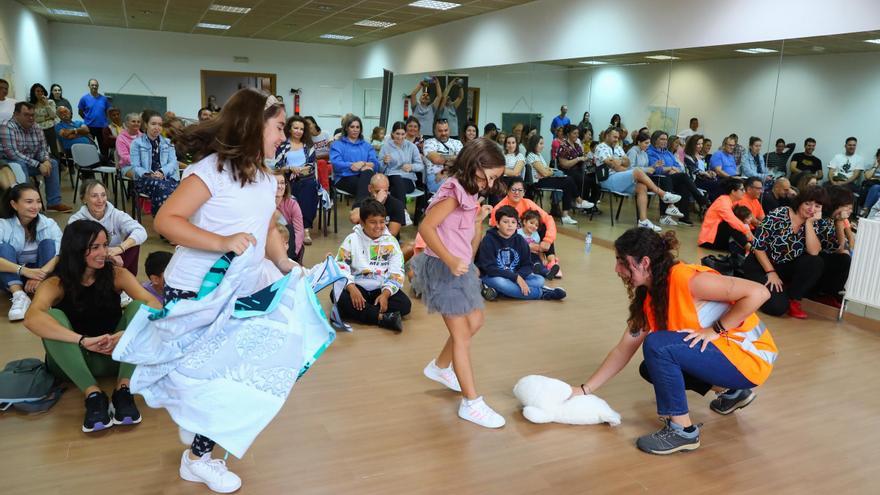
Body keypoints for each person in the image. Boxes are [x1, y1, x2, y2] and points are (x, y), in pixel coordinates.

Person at [130, 90, 296, 492]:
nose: (283, 137)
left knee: (227, 379)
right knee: (221, 383)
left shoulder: (263, 176)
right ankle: (198, 458)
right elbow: (167, 222)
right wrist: (222, 242)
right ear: (254, 125)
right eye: (278, 127)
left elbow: (267, 228)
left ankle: (196, 430)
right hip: (197, 292)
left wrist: (285, 263)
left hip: (239, 290)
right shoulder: (210, 171)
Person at [568, 228, 776, 455]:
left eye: (621, 261)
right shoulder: (651, 296)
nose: (617, 269)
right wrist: (584, 390)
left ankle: (682, 431)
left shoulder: (686, 278)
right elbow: (622, 351)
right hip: (729, 357)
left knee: (659, 346)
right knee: (650, 367)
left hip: (751, 359)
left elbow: (759, 293)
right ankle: (732, 393)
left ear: (644, 262)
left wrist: (714, 329)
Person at [22, 220, 161, 432]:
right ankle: (93, 394)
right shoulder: (56, 283)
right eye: (95, 247)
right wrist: (82, 341)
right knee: (51, 316)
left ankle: (123, 389)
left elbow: (155, 306)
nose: (103, 252)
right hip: (74, 362)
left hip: (115, 356)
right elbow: (31, 318)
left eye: (105, 245)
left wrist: (125, 335)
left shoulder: (117, 274)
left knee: (140, 307)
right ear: (76, 249)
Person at [414, 137, 506, 429]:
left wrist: (478, 225)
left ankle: (441, 367)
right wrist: (451, 260)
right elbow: (426, 228)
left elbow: (467, 240)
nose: (490, 185)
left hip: (459, 267)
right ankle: (472, 403)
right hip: (443, 267)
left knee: (475, 321)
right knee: (462, 335)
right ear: (475, 165)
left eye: (495, 179)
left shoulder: (472, 192)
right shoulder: (453, 191)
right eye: (489, 177)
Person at [741, 186, 828, 319]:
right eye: (807, 203)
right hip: (760, 264)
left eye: (817, 206)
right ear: (800, 202)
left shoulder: (815, 223)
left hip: (784, 266)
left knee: (815, 262)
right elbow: (758, 247)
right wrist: (771, 272)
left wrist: (809, 224)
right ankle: (748, 286)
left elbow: (814, 251)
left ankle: (794, 299)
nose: (811, 209)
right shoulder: (779, 214)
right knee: (777, 308)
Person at [335, 199, 411, 332]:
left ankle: (362, 311)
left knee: (405, 304)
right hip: (358, 287)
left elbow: (397, 272)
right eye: (373, 222)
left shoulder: (391, 242)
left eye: (382, 222)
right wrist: (352, 288)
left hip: (380, 288)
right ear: (362, 222)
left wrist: (386, 294)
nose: (378, 226)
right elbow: (340, 266)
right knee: (336, 296)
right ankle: (381, 318)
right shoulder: (351, 239)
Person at [597, 128, 683, 232]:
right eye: (614, 137)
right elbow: (613, 164)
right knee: (637, 171)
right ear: (607, 136)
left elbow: (627, 163)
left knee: (642, 186)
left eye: (618, 137)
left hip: (620, 177)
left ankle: (643, 221)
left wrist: (618, 162)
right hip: (608, 179)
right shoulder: (601, 147)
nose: (616, 139)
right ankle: (663, 194)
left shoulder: (618, 147)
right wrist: (620, 163)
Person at [476, 206, 566, 301]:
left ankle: (498, 291)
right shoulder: (488, 240)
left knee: (539, 280)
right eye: (505, 222)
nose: (510, 225)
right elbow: (489, 268)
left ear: (517, 225)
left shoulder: (520, 240)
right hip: (494, 276)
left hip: (515, 275)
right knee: (501, 283)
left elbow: (527, 265)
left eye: (513, 222)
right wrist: (516, 278)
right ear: (497, 224)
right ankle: (542, 293)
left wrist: (518, 276)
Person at [0, 183, 62, 321]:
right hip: (10, 277)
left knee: (49, 244)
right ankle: (19, 295)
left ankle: (43, 291)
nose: (35, 206)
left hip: (41, 274)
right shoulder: (3, 224)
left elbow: (60, 254)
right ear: (14, 204)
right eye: (29, 202)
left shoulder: (48, 223)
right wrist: (24, 271)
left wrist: (39, 274)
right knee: (3, 248)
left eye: (38, 201)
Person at [0, 102, 72, 212]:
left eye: (32, 115)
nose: (31, 118)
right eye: (26, 115)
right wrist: (38, 164)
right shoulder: (7, 126)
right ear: (16, 114)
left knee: (53, 163)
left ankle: (53, 203)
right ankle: (27, 204)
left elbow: (42, 149)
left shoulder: (36, 127)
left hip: (31, 162)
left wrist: (46, 160)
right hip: (10, 163)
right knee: (21, 164)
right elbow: (12, 153)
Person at [68, 180, 147, 277]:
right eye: (94, 196)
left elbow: (141, 231)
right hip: (91, 264)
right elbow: (75, 249)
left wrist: (120, 248)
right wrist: (106, 253)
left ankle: (126, 281)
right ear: (83, 199)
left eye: (103, 195)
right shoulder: (76, 220)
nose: (100, 200)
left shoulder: (115, 214)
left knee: (134, 241)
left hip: (117, 259)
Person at [526, 134, 590, 224]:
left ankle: (568, 212)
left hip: (544, 178)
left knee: (568, 180)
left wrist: (548, 171)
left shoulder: (538, 155)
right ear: (534, 144)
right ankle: (577, 202)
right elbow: (545, 172)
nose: (543, 146)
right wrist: (550, 172)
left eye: (543, 143)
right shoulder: (531, 156)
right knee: (568, 180)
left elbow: (546, 169)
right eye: (540, 144)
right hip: (538, 182)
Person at [274, 115, 319, 245]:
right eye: (296, 128)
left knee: (308, 186)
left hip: (306, 177)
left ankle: (305, 229)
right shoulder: (283, 145)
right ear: (290, 129)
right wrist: (289, 168)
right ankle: (289, 225)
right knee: (294, 185)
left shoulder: (308, 146)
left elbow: (311, 165)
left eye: (301, 129)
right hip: (287, 178)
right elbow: (277, 166)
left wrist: (300, 170)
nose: (299, 131)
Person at [811, 186, 854, 308]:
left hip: (819, 255)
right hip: (811, 257)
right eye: (848, 207)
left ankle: (831, 294)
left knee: (844, 258)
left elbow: (842, 246)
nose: (850, 211)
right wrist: (840, 223)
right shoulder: (822, 219)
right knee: (843, 259)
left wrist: (840, 222)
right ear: (837, 205)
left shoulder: (832, 219)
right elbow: (840, 247)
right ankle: (825, 294)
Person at [129, 110, 180, 214]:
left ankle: (163, 219)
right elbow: (135, 166)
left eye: (160, 125)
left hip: (166, 177)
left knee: (174, 188)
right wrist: (150, 174)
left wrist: (162, 172)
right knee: (163, 188)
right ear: (146, 125)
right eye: (153, 124)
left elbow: (173, 163)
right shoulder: (136, 143)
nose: (157, 127)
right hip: (145, 179)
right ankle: (164, 219)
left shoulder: (168, 143)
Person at [698, 179, 753, 254]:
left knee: (741, 218)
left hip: (719, 238)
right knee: (730, 224)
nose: (744, 192)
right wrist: (746, 231)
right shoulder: (722, 202)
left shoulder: (732, 201)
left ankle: (751, 246)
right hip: (708, 241)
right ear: (733, 191)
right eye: (742, 190)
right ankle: (750, 248)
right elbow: (732, 220)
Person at [330, 115, 378, 199]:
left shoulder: (367, 146)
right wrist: (352, 165)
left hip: (365, 176)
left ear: (360, 129)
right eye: (352, 127)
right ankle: (364, 209)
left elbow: (376, 165)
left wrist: (362, 164)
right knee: (371, 189)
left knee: (368, 176)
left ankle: (358, 209)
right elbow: (336, 164)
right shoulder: (337, 144)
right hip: (344, 177)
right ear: (346, 128)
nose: (355, 130)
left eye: (357, 127)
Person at [349, 173, 406, 238]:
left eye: (385, 191)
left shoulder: (397, 204)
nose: (382, 195)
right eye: (377, 191)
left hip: (386, 243)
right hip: (364, 241)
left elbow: (392, 234)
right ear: (370, 188)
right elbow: (354, 219)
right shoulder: (363, 201)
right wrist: (377, 202)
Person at [379, 121, 423, 203]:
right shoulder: (386, 147)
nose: (400, 137)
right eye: (397, 134)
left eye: (403, 134)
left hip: (407, 179)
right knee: (396, 178)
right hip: (390, 178)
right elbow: (379, 170)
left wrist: (411, 167)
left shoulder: (412, 147)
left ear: (406, 134)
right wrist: (384, 162)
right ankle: (403, 211)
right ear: (392, 133)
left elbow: (420, 166)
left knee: (396, 188)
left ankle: (398, 211)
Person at [556, 125, 600, 206]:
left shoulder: (577, 146)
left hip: (579, 170)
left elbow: (582, 157)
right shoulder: (563, 146)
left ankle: (591, 203)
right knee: (585, 179)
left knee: (595, 179)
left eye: (577, 133)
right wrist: (578, 159)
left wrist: (587, 159)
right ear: (568, 134)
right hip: (568, 171)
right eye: (574, 133)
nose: (577, 135)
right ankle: (580, 201)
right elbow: (564, 164)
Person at [272, 169, 305, 263]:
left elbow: (299, 231)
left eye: (282, 183)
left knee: (289, 228)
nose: (279, 186)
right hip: (270, 243)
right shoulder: (264, 203)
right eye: (276, 183)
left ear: (286, 186)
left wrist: (293, 252)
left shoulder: (292, 204)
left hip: (289, 245)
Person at [423, 119, 463, 193]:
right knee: (454, 189)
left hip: (454, 175)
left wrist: (446, 172)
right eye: (440, 131)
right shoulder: (429, 142)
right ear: (435, 131)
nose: (443, 133)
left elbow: (463, 161)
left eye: (446, 130)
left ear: (449, 130)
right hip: (436, 177)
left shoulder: (457, 143)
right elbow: (436, 160)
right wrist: (455, 157)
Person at [77, 79, 112, 156]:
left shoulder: (104, 99)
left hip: (102, 127)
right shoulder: (84, 99)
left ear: (98, 86)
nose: (94, 86)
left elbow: (108, 112)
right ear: (89, 86)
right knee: (89, 147)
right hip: (89, 127)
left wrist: (102, 119)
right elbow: (80, 112)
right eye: (92, 85)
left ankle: (105, 164)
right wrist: (88, 119)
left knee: (104, 148)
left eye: (96, 85)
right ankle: (89, 164)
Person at [683, 134, 721, 202]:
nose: (701, 146)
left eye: (702, 143)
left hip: (704, 179)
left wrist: (710, 172)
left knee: (720, 185)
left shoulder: (701, 156)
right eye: (698, 144)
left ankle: (711, 205)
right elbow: (694, 170)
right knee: (718, 185)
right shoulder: (688, 156)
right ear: (693, 145)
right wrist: (705, 173)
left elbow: (705, 169)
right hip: (695, 181)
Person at [30, 83, 59, 159]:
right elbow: (34, 119)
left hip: (51, 129)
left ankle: (58, 168)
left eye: (42, 91)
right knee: (43, 151)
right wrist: (46, 118)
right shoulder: (31, 104)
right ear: (34, 92)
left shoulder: (50, 102)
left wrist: (46, 104)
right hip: (38, 130)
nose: (40, 93)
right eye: (37, 91)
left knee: (55, 150)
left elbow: (53, 115)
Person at [860, 148, 880, 216]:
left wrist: (875, 178)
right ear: (877, 157)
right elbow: (868, 177)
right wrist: (875, 167)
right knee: (877, 195)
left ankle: (865, 210)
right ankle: (870, 217)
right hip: (870, 188)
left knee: (877, 188)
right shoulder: (870, 166)